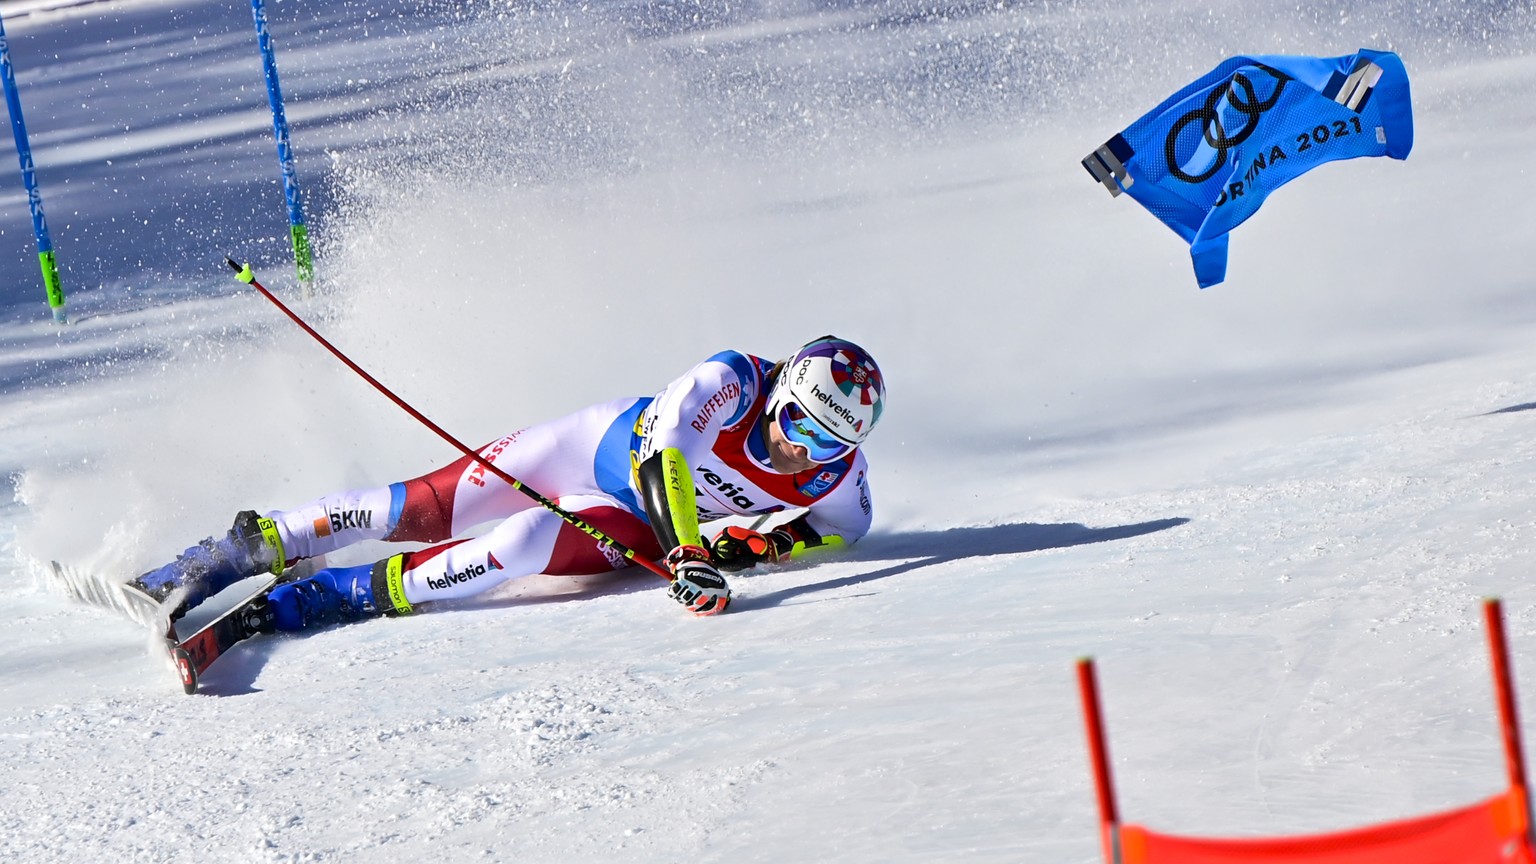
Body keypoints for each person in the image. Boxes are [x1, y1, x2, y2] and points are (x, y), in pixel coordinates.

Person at [130, 336, 885, 631]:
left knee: (515, 547)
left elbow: (844, 528)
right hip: (589, 451)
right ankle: (235, 553)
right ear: (780, 390)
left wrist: (765, 547)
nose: (802, 450)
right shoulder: (729, 380)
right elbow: (666, 463)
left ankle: (326, 596)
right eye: (798, 424)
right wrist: (693, 550)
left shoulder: (836, 473)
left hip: (633, 527)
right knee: (418, 507)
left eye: (829, 440)